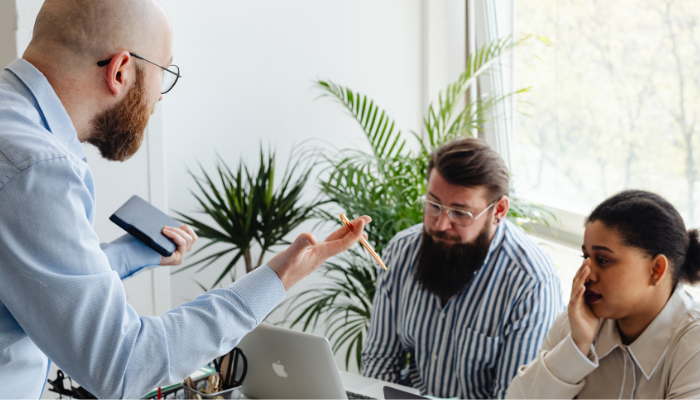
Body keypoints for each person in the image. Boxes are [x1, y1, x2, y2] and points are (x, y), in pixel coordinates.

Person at [0, 0, 370, 398]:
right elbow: (123, 365)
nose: (160, 97)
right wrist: (279, 278)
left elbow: (29, 274)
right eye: (164, 72)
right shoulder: (37, 167)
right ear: (120, 70)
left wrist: (129, 255)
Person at [361, 137, 564, 399]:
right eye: (434, 205)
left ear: (499, 210)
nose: (440, 224)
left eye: (460, 213)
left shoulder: (532, 283)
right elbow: (380, 363)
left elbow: (512, 397)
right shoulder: (402, 251)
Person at [506, 190, 700, 399]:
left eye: (603, 260)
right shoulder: (574, 324)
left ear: (656, 269)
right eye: (585, 257)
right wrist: (577, 347)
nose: (587, 274)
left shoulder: (693, 345)